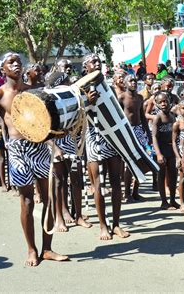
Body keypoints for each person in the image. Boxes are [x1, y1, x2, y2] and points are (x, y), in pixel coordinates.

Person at [0, 52, 68, 266]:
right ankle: (32, 249)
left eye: (18, 61)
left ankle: (47, 249)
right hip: (17, 151)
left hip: (39, 147)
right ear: (2, 69)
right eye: (10, 62)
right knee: (27, 201)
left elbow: (49, 121)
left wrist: (58, 136)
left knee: (48, 197)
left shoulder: (34, 92)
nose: (16, 64)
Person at [83, 53, 130, 240]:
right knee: (98, 185)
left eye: (98, 61)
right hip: (94, 140)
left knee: (115, 183)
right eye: (92, 61)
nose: (97, 64)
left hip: (112, 139)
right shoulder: (80, 88)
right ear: (85, 66)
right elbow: (79, 115)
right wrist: (88, 102)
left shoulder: (108, 87)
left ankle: (116, 224)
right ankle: (103, 225)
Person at [45, 72, 91, 230]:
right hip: (54, 143)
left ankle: (78, 216)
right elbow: (42, 130)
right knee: (59, 182)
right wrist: (55, 147)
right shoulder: (47, 100)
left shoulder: (70, 98)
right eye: (65, 81)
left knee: (76, 179)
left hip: (70, 141)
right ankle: (59, 218)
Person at [118, 74, 150, 202]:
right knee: (130, 162)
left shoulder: (140, 98)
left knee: (141, 162)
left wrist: (147, 132)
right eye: (130, 81)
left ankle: (136, 191)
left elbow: (142, 116)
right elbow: (118, 117)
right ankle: (127, 193)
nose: (133, 83)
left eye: (135, 81)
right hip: (127, 131)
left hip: (138, 130)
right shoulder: (121, 97)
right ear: (125, 84)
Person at [151, 91, 179, 210]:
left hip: (171, 148)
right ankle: (164, 201)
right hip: (161, 149)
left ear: (170, 102)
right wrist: (158, 154)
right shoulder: (157, 118)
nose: (163, 104)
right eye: (160, 102)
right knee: (161, 175)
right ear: (157, 104)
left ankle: (172, 199)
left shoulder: (173, 116)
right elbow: (154, 137)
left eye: (165, 101)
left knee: (173, 174)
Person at [172, 99, 184, 213]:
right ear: (179, 109)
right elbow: (174, 141)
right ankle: (182, 203)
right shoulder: (177, 124)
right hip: (181, 153)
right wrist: (178, 157)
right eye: (183, 108)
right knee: (183, 178)